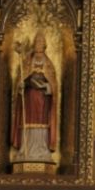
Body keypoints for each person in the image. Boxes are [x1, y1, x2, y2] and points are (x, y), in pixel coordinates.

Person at [11, 31, 58, 161]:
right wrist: (21, 85)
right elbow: (21, 78)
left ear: (45, 45)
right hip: (29, 97)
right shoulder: (27, 61)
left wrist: (47, 87)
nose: (39, 44)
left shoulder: (48, 64)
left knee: (42, 123)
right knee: (28, 121)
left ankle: (42, 150)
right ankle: (25, 150)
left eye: (41, 42)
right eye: (37, 41)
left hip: (43, 99)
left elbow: (53, 84)